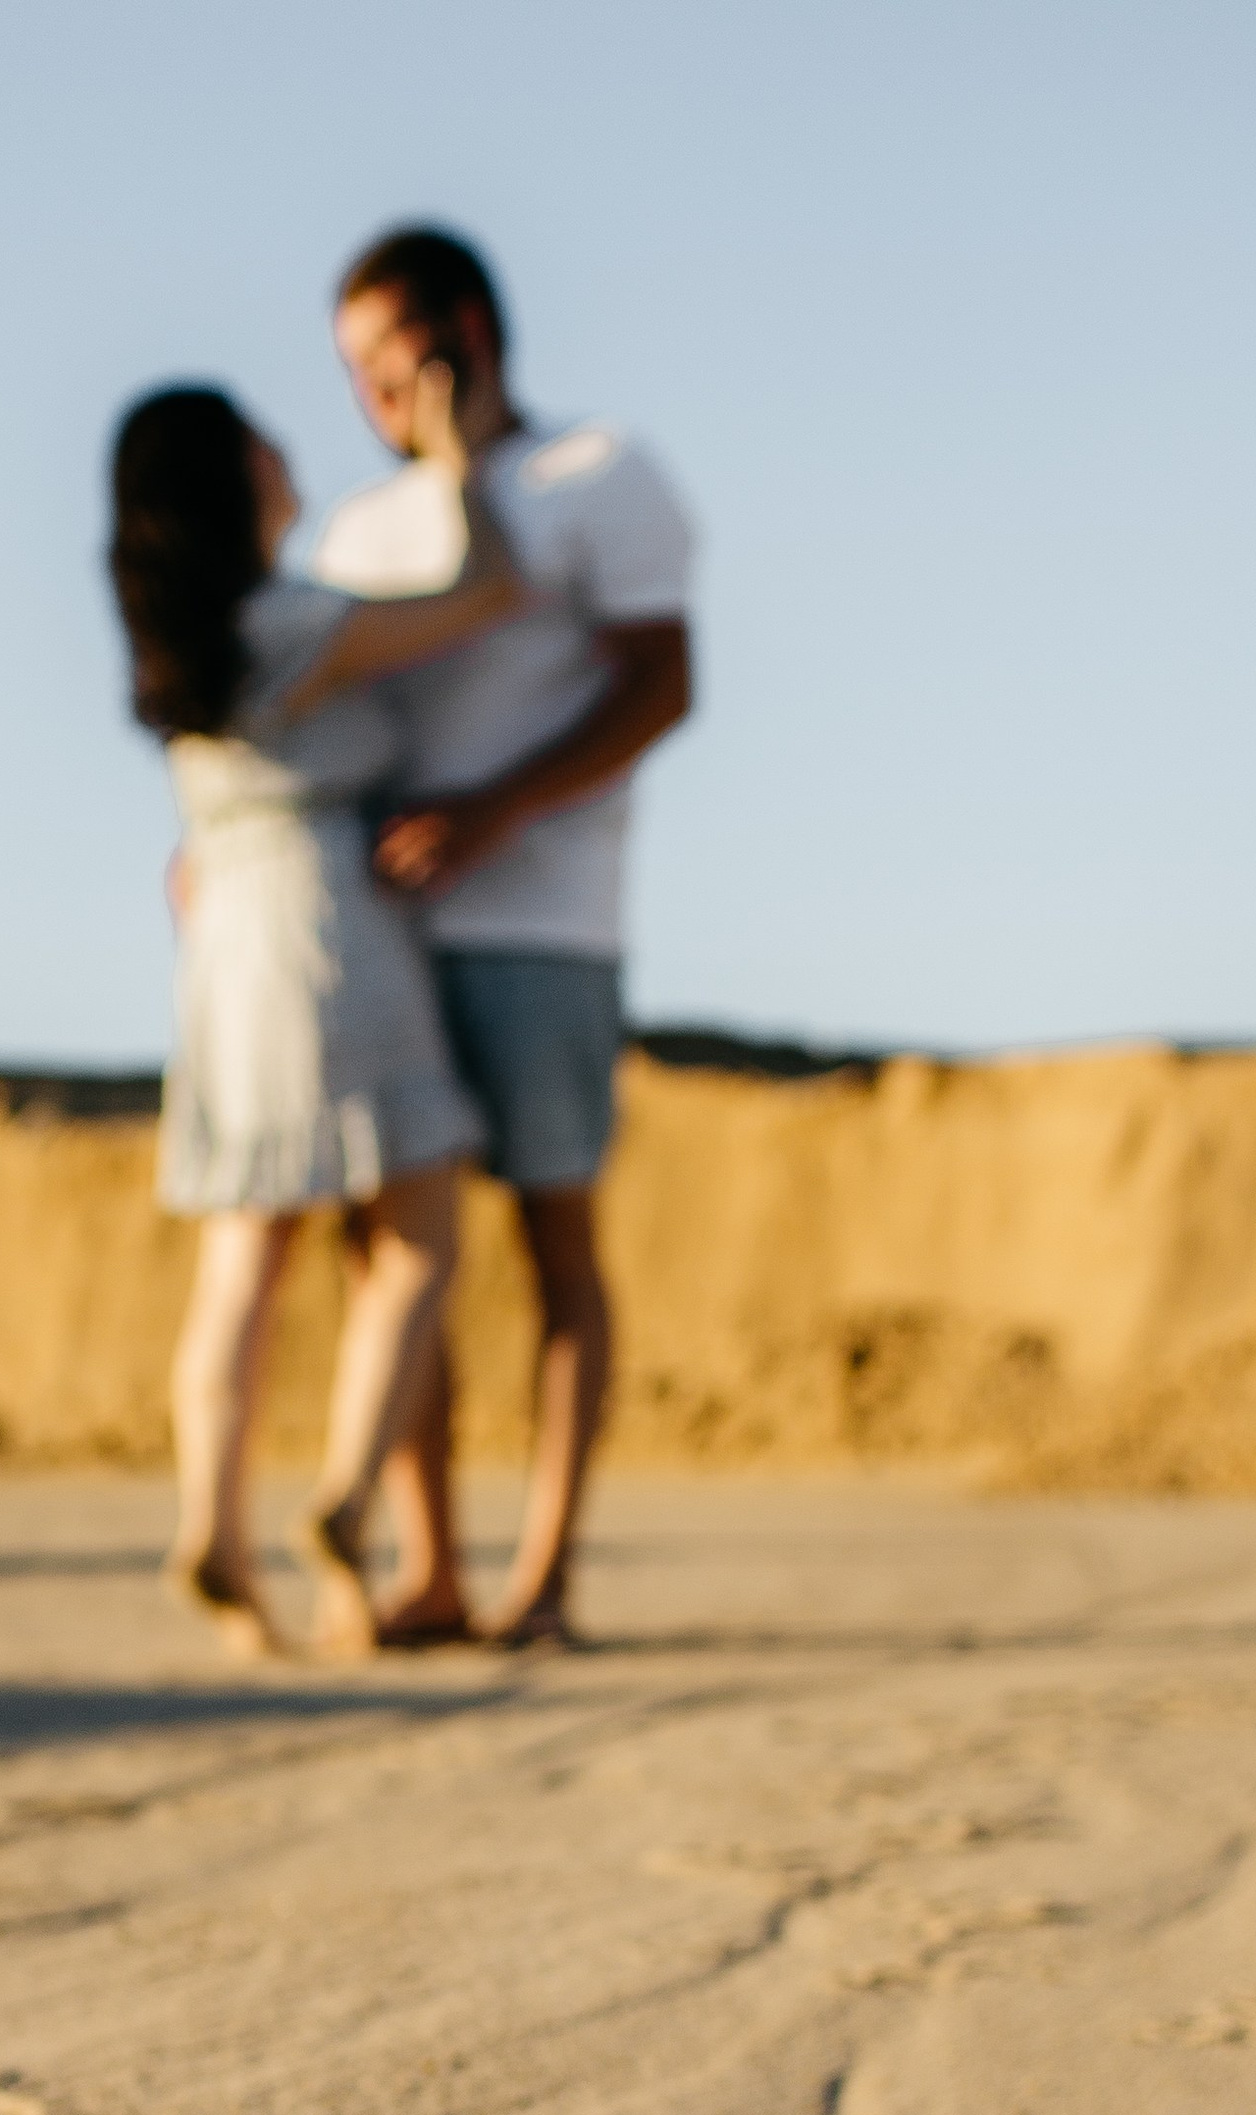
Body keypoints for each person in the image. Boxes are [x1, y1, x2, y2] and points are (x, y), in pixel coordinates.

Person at [107, 368, 527, 1654]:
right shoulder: (294, 623)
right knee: (415, 1238)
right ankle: (345, 1498)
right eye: (261, 443)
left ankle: (212, 1530)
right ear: (229, 483)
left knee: (243, 1260)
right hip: (325, 929)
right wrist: (458, 465)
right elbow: (487, 595)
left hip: (220, 945)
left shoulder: (177, 655)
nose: (285, 452)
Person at [317, 224, 696, 1647]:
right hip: (386, 940)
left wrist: (499, 810)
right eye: (349, 368)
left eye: (387, 356)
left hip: (548, 927)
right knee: (394, 1259)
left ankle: (543, 1575)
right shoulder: (357, 532)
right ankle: (430, 1567)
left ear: (466, 332)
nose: (370, 391)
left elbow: (662, 685)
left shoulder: (603, 473)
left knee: (556, 1245)